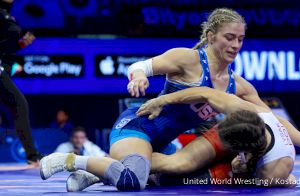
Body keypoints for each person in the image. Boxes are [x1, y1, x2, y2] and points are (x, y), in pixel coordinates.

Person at [39, 7, 249, 192]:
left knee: (179, 180)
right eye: (229, 37)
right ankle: (68, 161)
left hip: (162, 145)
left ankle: (97, 172)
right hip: (137, 127)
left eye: (240, 39)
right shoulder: (188, 59)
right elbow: (138, 67)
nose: (236, 45)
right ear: (211, 37)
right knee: (134, 180)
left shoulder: (237, 85)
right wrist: (139, 77)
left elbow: (265, 115)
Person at [136, 87, 300, 187]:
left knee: (180, 180)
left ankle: (145, 169)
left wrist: (243, 171)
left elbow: (289, 181)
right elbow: (204, 92)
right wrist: (163, 100)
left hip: (249, 153)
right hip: (236, 130)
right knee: (180, 164)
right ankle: (128, 162)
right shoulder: (257, 113)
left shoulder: (274, 170)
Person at [0, 0, 42, 164]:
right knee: (19, 104)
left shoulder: (7, 14)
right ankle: (32, 155)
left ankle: (32, 155)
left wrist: (20, 44)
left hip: (6, 66)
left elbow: (6, 46)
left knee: (18, 106)